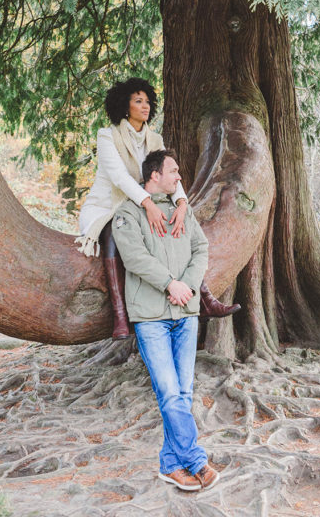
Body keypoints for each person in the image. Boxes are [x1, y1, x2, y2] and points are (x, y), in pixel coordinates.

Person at [76, 78, 239, 337]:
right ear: (124, 105)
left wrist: (182, 203)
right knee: (113, 235)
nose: (146, 106)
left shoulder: (155, 139)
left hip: (141, 204)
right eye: (138, 101)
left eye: (148, 101)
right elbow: (119, 177)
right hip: (108, 205)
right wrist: (148, 204)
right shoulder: (107, 136)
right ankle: (120, 317)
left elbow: (169, 172)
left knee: (177, 232)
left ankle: (205, 299)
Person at [112, 149, 219, 492]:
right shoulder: (127, 214)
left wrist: (186, 286)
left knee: (183, 392)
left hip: (185, 315)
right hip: (152, 318)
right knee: (170, 393)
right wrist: (168, 283)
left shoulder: (183, 212)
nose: (179, 178)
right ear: (154, 175)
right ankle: (197, 461)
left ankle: (170, 464)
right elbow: (134, 258)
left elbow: (201, 249)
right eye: (174, 171)